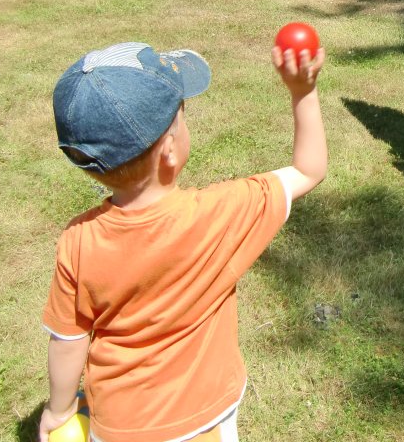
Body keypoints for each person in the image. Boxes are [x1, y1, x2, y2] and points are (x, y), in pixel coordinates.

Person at [39, 40, 327, 442]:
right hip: (202, 419)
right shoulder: (221, 213)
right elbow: (309, 170)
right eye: (183, 114)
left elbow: (68, 341)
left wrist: (59, 410)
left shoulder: (78, 241)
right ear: (170, 150)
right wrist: (303, 91)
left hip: (118, 425)